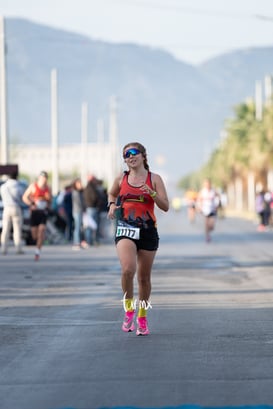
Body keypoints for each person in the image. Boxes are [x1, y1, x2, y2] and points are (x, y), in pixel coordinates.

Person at [107, 142, 169, 336]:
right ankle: (129, 310)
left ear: (143, 156)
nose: (130, 157)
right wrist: (111, 204)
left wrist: (152, 193)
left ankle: (142, 316)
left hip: (148, 230)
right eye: (126, 155)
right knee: (128, 270)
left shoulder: (154, 178)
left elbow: (165, 206)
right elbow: (111, 193)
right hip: (125, 227)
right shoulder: (121, 178)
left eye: (133, 153)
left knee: (143, 278)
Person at [22, 171, 52, 260]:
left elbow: (50, 200)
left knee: (41, 231)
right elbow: (24, 197)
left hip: (43, 212)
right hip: (35, 213)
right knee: (34, 235)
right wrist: (31, 204)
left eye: (45, 178)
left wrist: (48, 201)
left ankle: (37, 252)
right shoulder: (33, 186)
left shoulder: (48, 188)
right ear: (39, 178)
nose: (44, 180)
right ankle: (38, 243)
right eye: (42, 178)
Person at [1, 171, 25, 255]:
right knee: (17, 229)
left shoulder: (3, 187)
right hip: (16, 207)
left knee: (5, 229)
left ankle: (4, 249)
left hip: (6, 208)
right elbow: (22, 197)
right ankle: (18, 248)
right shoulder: (18, 186)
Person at [197, 178, 219, 242]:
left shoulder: (213, 191)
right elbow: (199, 200)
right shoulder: (202, 191)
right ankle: (207, 236)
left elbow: (217, 197)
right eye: (205, 184)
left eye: (208, 184)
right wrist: (199, 207)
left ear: (210, 184)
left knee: (211, 225)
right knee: (206, 224)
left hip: (212, 209)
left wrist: (217, 205)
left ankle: (210, 229)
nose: (207, 185)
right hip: (205, 210)